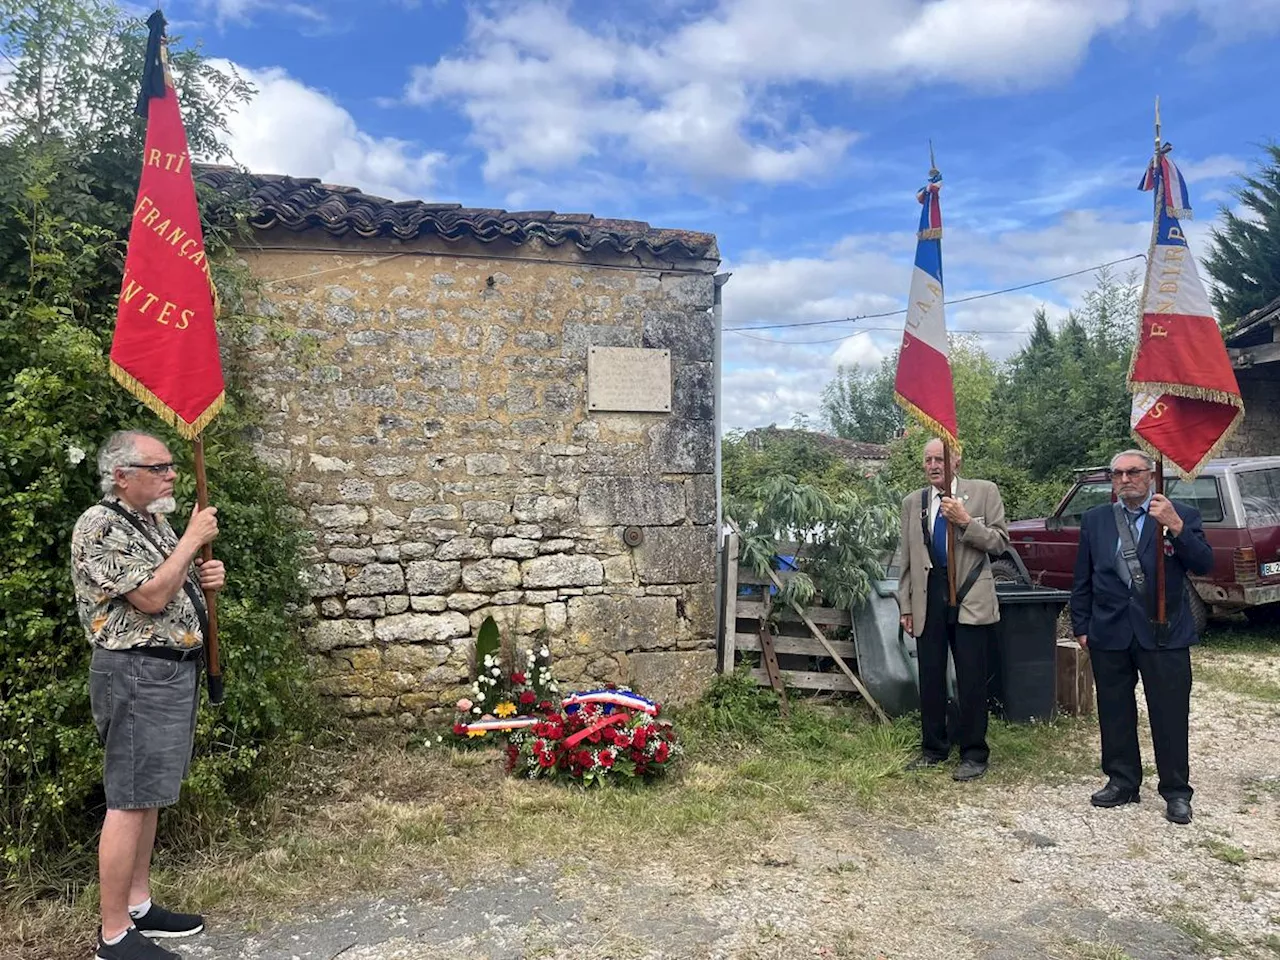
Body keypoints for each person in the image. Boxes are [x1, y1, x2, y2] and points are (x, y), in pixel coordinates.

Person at [71, 430, 225, 960]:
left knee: (151, 794)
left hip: (169, 673)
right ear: (122, 475)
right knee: (130, 800)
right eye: (158, 468)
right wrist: (190, 540)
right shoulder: (101, 526)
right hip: (136, 673)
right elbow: (153, 596)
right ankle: (113, 935)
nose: (172, 474)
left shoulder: (149, 522)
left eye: (172, 465)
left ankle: (138, 904)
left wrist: (206, 575)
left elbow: (172, 580)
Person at [1071, 448, 1213, 825]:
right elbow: (1083, 578)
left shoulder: (1178, 514)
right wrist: (1082, 626)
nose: (1124, 480)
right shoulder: (1097, 520)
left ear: (1150, 475)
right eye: (1117, 474)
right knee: (1114, 711)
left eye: (1132, 472)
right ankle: (1122, 780)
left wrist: (1176, 526)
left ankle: (1176, 792)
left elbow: (1204, 563)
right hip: (1109, 632)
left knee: (1169, 714)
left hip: (1163, 632)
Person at [897, 438, 1009, 781]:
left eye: (940, 459)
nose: (934, 465)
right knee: (930, 675)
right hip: (927, 597)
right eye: (928, 459)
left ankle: (974, 752)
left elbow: (1000, 543)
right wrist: (905, 604)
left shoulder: (984, 492)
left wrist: (965, 521)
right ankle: (933, 748)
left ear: (956, 462)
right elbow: (907, 560)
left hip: (970, 595)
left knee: (972, 677)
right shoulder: (912, 503)